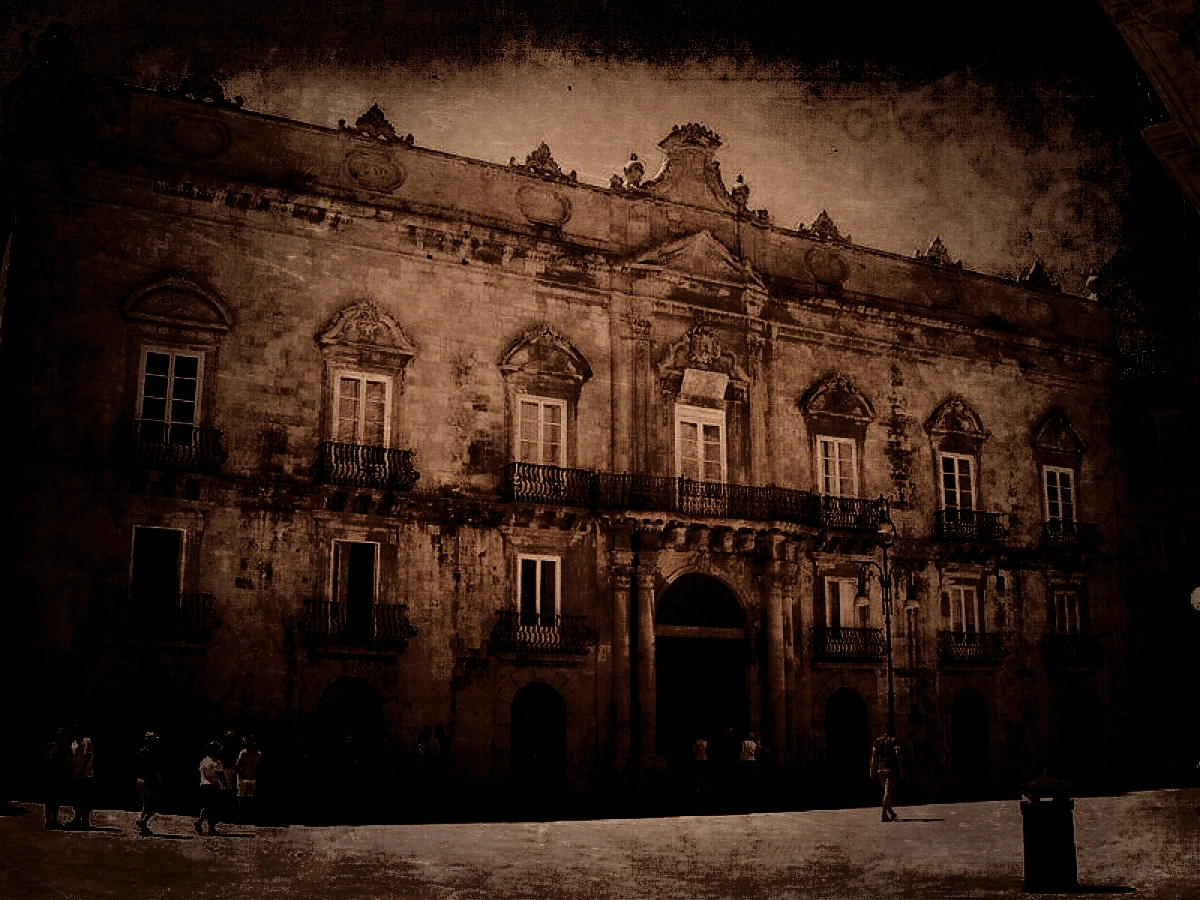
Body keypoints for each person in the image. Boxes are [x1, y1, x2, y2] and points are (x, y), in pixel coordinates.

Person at [870, 725, 904, 822]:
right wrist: (901, 768)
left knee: (887, 791)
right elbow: (898, 755)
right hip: (891, 769)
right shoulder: (894, 741)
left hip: (881, 770)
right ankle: (884, 813)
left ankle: (891, 812)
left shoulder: (877, 741)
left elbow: (873, 756)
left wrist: (872, 769)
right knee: (887, 792)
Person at [134, 732, 162, 836]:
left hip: (141, 780)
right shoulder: (153, 753)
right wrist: (160, 781)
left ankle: (142, 822)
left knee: (145, 802)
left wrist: (138, 778)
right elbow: (156, 769)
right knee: (154, 803)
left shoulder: (140, 752)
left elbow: (136, 768)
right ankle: (143, 820)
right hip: (150, 780)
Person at [68, 722, 95, 830]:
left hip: (85, 774)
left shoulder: (87, 741)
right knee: (76, 797)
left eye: (77, 729)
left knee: (85, 798)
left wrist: (82, 769)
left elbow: (88, 756)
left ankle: (85, 820)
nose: (75, 731)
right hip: (75, 774)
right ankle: (77, 818)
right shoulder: (74, 743)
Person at [42, 727, 70, 829]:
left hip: (58, 776)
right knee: (49, 799)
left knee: (55, 799)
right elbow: (45, 758)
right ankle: (48, 821)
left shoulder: (65, 747)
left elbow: (68, 760)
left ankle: (53, 820)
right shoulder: (51, 745)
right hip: (51, 775)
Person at [195, 741, 225, 835]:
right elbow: (220, 775)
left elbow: (200, 772)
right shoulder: (217, 762)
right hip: (213, 786)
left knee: (207, 806)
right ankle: (209, 826)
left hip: (203, 785)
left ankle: (202, 822)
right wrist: (225, 785)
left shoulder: (204, 761)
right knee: (213, 807)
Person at [236, 736, 262, 824]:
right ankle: (240, 817)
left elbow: (259, 766)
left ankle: (248, 816)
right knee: (242, 797)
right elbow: (238, 765)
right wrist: (240, 774)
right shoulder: (243, 753)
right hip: (242, 777)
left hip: (252, 777)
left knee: (250, 797)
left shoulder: (258, 754)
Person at [218, 731, 242, 825]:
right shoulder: (223, 749)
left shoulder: (231, 748)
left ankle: (226, 814)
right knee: (224, 792)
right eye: (231, 738)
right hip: (225, 770)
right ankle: (222, 814)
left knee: (229, 792)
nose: (232, 740)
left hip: (230, 771)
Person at [739, 731, 759, 803]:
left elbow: (741, 750)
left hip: (744, 761)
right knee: (751, 778)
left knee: (745, 778)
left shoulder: (743, 743)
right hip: (751, 761)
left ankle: (745, 793)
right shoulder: (754, 744)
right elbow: (756, 753)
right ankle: (752, 793)